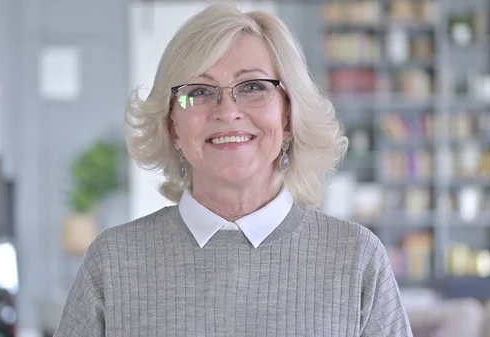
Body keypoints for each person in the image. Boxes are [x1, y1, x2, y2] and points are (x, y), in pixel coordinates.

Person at [54, 4, 413, 336]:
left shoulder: (357, 260)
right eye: (200, 91)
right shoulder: (112, 263)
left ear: (288, 117)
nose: (227, 111)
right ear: (173, 127)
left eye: (253, 87)